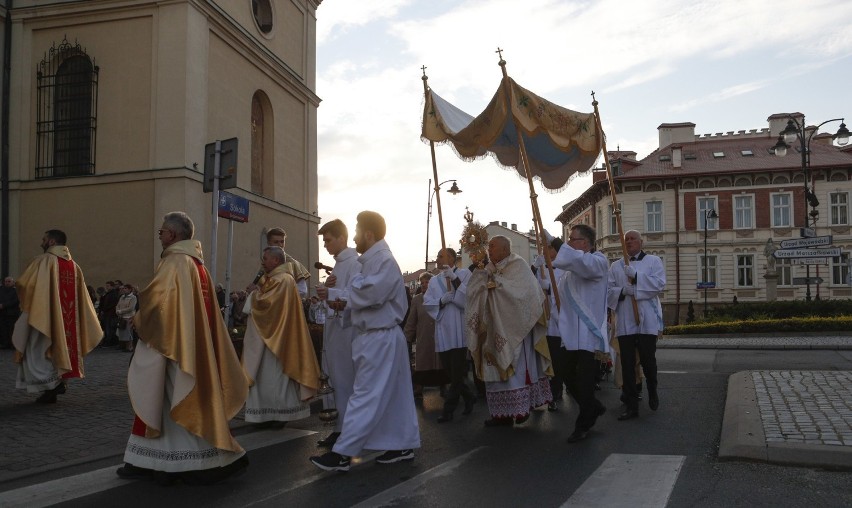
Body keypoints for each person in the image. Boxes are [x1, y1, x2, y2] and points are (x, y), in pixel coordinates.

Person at [116, 212, 249, 485]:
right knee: (174, 401)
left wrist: (138, 318)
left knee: (167, 402)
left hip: (172, 348)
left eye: (162, 232)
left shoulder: (175, 262)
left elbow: (159, 303)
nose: (160, 236)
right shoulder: (198, 265)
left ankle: (179, 462)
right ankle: (149, 460)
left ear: (173, 235)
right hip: (191, 346)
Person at [310, 211, 420, 472]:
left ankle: (343, 453)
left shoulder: (383, 261)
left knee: (365, 395)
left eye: (358, 231)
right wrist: (337, 296)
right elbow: (360, 294)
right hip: (376, 335)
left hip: (380, 337)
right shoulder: (370, 261)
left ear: (369, 234)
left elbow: (370, 292)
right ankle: (401, 445)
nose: (355, 237)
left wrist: (340, 292)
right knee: (395, 395)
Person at [465, 235, 552, 427]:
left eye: (493, 246)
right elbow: (473, 291)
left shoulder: (518, 265)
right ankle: (500, 414)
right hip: (493, 328)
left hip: (515, 329)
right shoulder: (487, 268)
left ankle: (520, 409)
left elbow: (525, 293)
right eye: (489, 246)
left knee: (516, 369)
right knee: (494, 370)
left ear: (505, 249)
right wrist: (481, 276)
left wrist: (497, 285)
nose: (489, 249)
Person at [12, 230, 102, 403]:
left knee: (38, 350)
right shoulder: (74, 266)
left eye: (44, 239)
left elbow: (25, 284)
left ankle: (51, 386)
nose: (42, 243)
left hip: (44, 317)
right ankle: (58, 383)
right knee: (61, 348)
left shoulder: (43, 260)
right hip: (67, 319)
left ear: (52, 241)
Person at [242, 246, 321, 428]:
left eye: (265, 258)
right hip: (267, 338)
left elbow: (267, 305)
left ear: (276, 261)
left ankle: (279, 416)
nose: (262, 261)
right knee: (265, 380)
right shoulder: (272, 279)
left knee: (277, 380)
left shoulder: (284, 280)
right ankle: (265, 416)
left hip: (279, 339)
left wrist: (253, 294)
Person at [544, 224, 609, 443]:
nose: (569, 242)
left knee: (584, 380)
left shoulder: (598, 261)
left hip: (589, 333)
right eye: (568, 239)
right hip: (571, 333)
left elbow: (583, 265)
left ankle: (583, 423)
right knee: (564, 373)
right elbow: (560, 302)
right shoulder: (567, 274)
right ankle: (593, 406)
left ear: (586, 243)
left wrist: (555, 241)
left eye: (573, 239)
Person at [606, 230, 665, 420]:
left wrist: (637, 277)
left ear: (641, 242)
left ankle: (653, 390)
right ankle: (631, 405)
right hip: (625, 320)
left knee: (648, 361)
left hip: (646, 319)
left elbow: (659, 285)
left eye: (633, 239)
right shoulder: (615, 266)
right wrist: (623, 290)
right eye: (626, 240)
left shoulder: (654, 262)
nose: (629, 242)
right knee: (628, 364)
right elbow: (607, 292)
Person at [313, 219, 360, 449]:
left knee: (344, 381)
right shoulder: (338, 265)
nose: (325, 245)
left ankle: (348, 430)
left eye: (328, 240)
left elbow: (356, 296)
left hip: (346, 333)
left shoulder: (355, 263)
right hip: (333, 332)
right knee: (334, 380)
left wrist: (330, 292)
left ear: (342, 238)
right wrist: (325, 292)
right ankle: (338, 427)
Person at [424, 248, 476, 423]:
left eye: (440, 256)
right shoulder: (433, 281)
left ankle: (448, 410)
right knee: (452, 372)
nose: (437, 259)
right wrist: (440, 301)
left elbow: (468, 299)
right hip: (443, 330)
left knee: (456, 373)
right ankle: (469, 397)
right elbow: (427, 302)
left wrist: (454, 280)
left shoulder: (464, 274)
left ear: (451, 258)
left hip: (459, 330)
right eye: (437, 256)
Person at [532, 242, 566, 412]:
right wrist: (534, 268)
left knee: (558, 360)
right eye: (543, 249)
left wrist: (551, 290)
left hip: (560, 321)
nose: (545, 252)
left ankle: (557, 390)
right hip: (544, 321)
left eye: (549, 248)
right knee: (547, 359)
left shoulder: (564, 268)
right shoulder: (541, 268)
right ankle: (546, 393)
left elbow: (567, 292)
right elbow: (528, 288)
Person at [403, 273, 448, 396]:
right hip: (423, 338)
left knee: (440, 362)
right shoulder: (417, 299)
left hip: (439, 337)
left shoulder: (440, 297)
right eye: (422, 283)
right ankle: (419, 387)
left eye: (427, 282)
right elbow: (412, 319)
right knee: (423, 363)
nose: (423, 285)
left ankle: (443, 386)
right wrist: (406, 336)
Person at [263, 227, 311, 298]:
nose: (280, 245)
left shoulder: (292, 263)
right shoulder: (265, 262)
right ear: (269, 243)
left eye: (282, 242)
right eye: (276, 242)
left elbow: (302, 291)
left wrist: (275, 293)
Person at [115, 283, 137, 352]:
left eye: (125, 288)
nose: (124, 290)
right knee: (122, 333)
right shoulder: (122, 297)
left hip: (129, 316)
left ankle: (130, 347)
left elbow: (131, 308)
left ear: (130, 289)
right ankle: (124, 346)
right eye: (123, 288)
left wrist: (121, 311)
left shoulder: (133, 297)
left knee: (128, 333)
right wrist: (117, 311)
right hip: (121, 317)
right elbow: (118, 305)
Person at [0, 276, 21, 349]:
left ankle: (13, 345)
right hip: (2, 314)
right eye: (6, 281)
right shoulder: (1, 289)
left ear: (13, 282)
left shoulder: (16, 291)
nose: (7, 283)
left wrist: (4, 305)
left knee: (12, 330)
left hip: (12, 314)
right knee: (3, 329)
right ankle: (5, 344)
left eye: (9, 281)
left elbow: (15, 301)